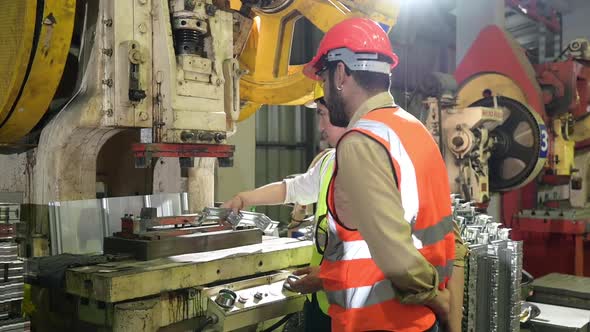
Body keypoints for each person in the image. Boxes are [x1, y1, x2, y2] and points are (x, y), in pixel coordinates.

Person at [296, 17, 464, 332]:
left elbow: (394, 253)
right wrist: (328, 276)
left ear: (341, 74)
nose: (324, 91)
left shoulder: (361, 142)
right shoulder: (414, 130)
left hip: (381, 322)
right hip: (421, 322)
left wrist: (434, 298)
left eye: (323, 80)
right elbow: (424, 231)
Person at [222, 83, 345, 331]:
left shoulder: (369, 167)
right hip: (321, 300)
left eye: (322, 115)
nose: (320, 127)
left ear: (344, 110)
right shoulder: (329, 162)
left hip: (351, 308)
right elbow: (291, 189)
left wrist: (331, 277)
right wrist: (245, 198)